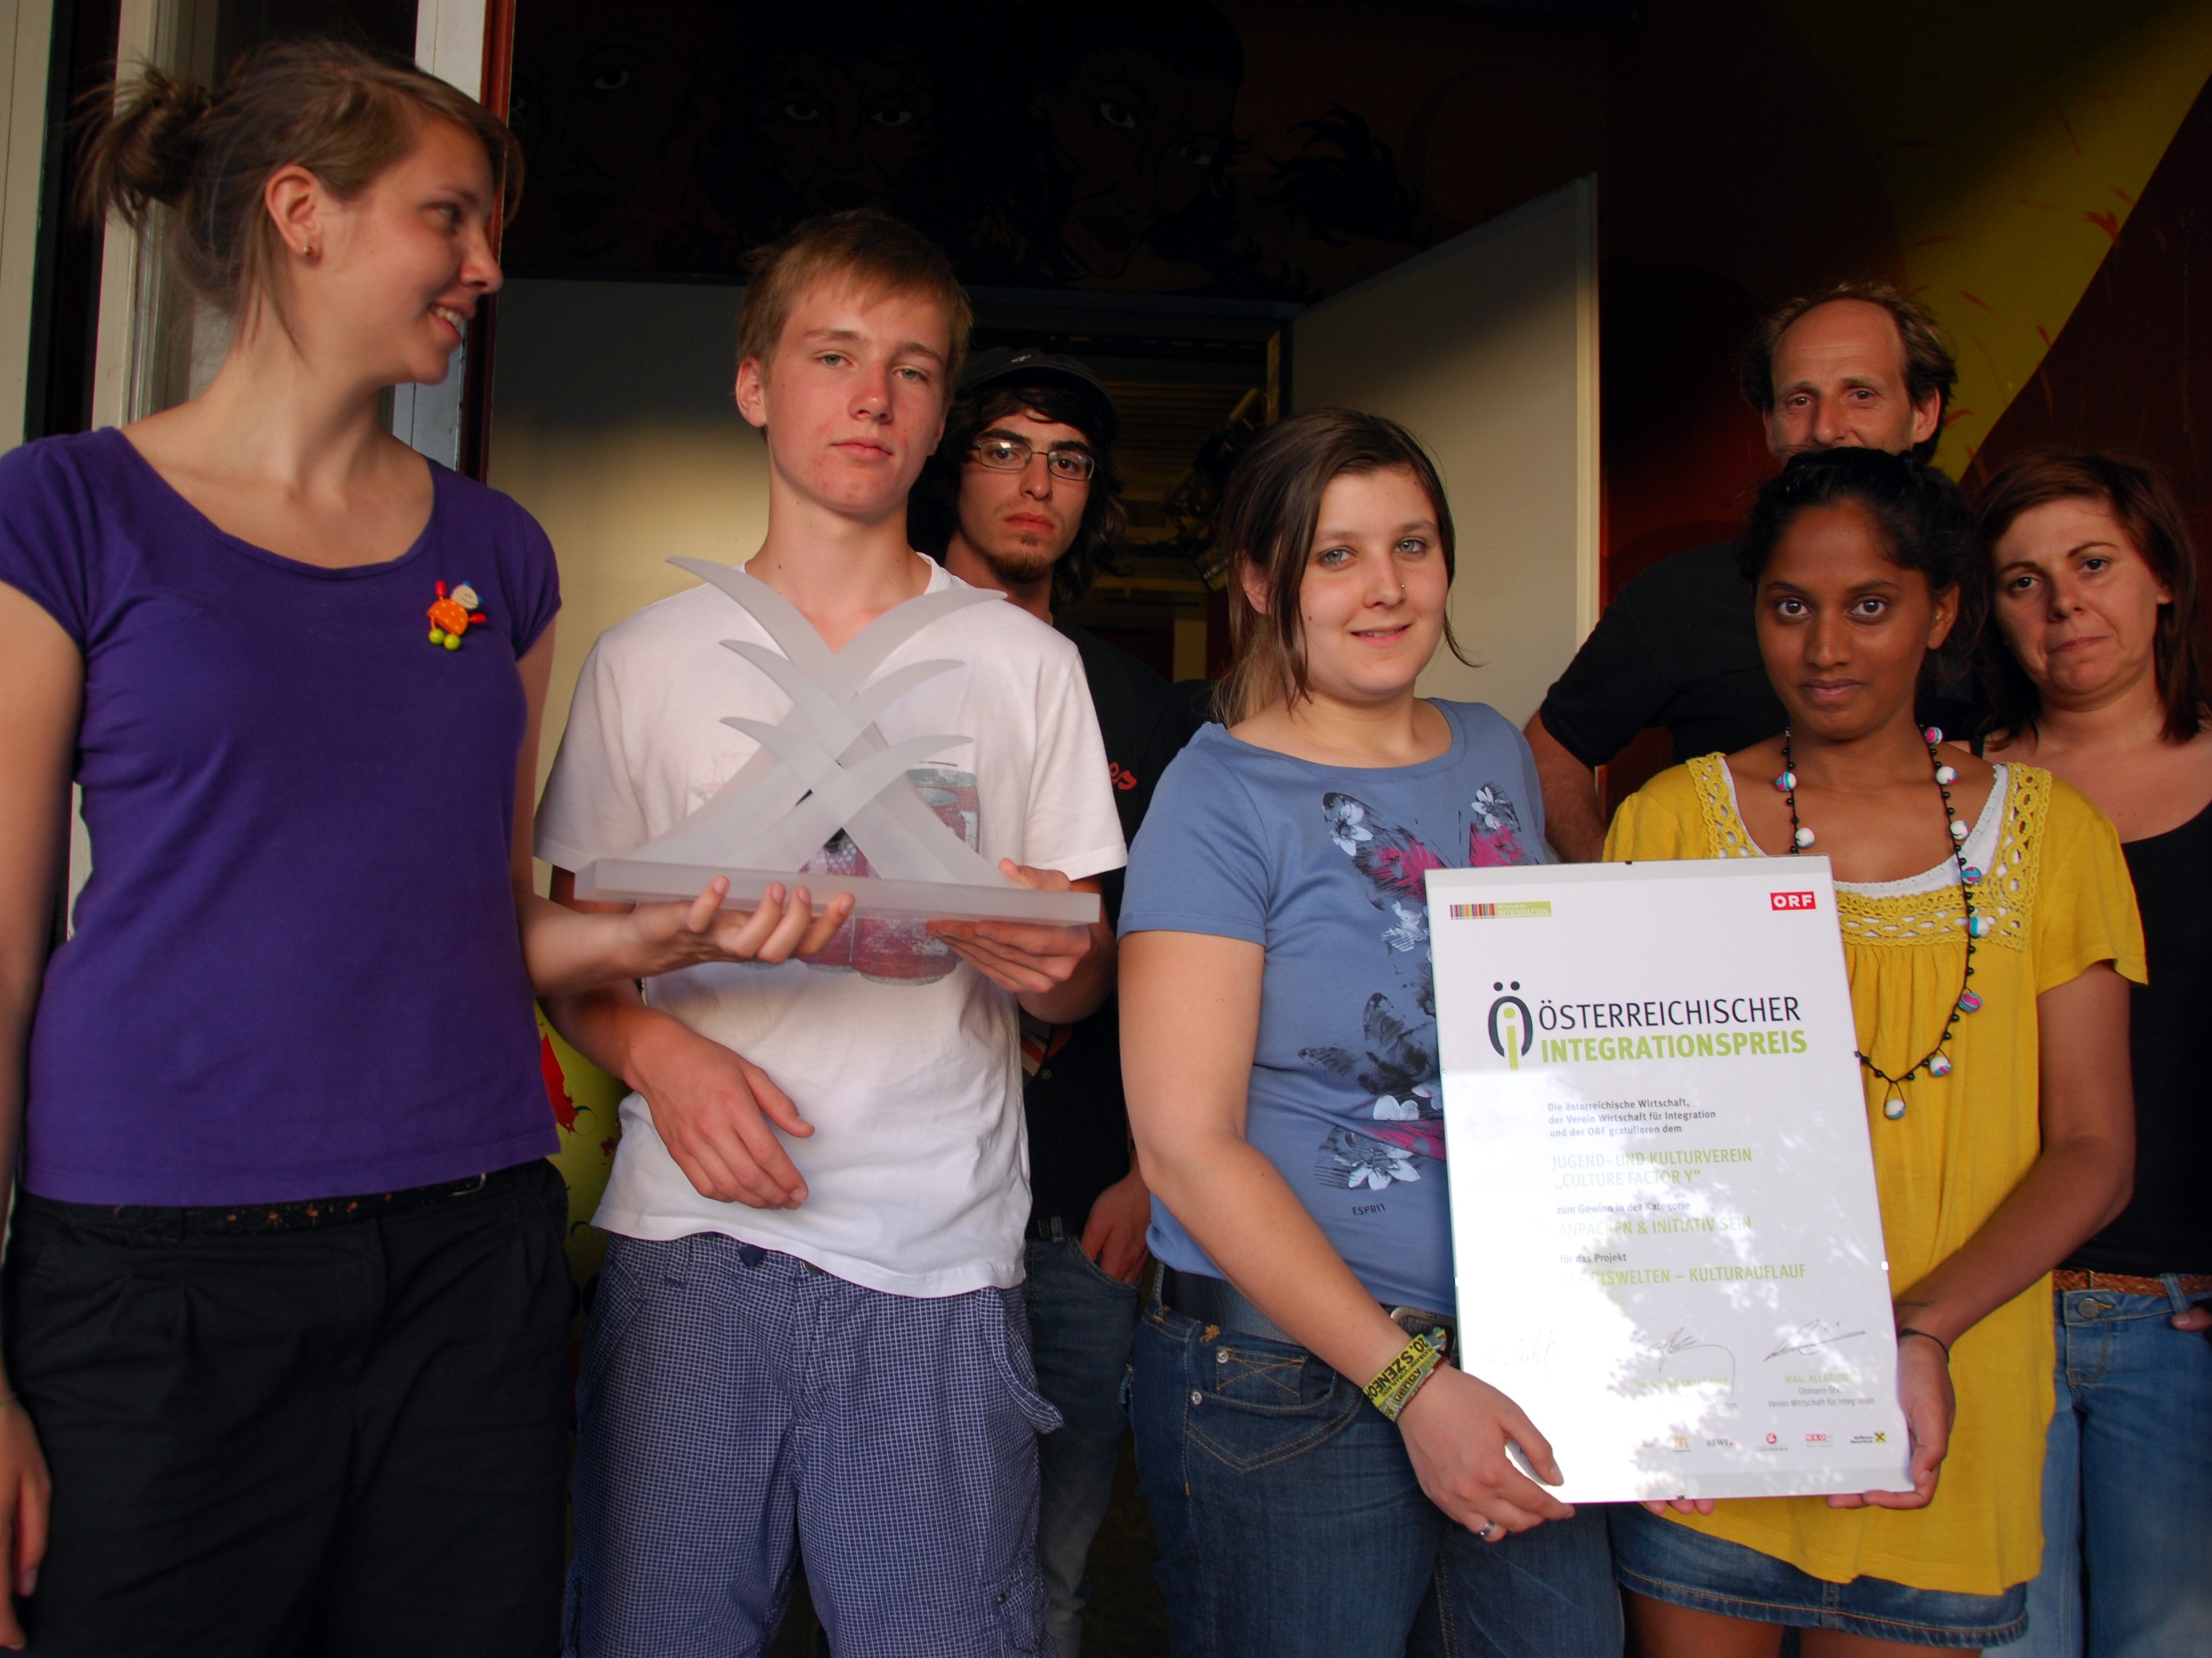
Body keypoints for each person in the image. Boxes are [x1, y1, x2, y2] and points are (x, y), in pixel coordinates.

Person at [0, 41, 850, 1658]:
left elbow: (477, 915)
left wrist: (654, 935)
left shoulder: (497, 556)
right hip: (154, 1281)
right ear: (301, 212)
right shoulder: (63, 516)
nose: (486, 267)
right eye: (447, 217)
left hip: (467, 1268)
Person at [535, 210, 1127, 1657]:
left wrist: (1056, 965)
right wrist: (661, 1058)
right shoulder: (644, 661)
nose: (873, 397)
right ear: (754, 384)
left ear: (937, 414)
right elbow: (564, 953)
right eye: (834, 356)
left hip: (938, 1256)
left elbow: (1078, 975)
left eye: (912, 370)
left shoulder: (1025, 665)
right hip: (690, 1241)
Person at [1604, 447, 2142, 1653]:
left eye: (1869, 606)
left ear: (1941, 611)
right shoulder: (1670, 824)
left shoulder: (2055, 837)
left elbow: (2095, 1148)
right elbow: (1623, 1143)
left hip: (1943, 1422)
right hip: (1715, 1424)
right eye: (1790, 606)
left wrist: (1917, 1333)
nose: (1824, 648)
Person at [1120, 408, 1621, 1658]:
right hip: (1290, 1385)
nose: (1385, 587)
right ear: (1259, 583)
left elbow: (1547, 1050)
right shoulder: (1216, 796)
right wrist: (1410, 1384)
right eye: (1335, 555)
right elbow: (1185, 1147)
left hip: (1521, 1353)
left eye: (1411, 544)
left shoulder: (1493, 750)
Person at [916, 345, 1198, 1658]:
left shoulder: (1136, 701)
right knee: (898, 1553)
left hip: (1082, 1203)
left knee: (1055, 1564)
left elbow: (1183, 957)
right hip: (902, 1195)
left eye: (1068, 460)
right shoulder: (876, 663)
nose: (1037, 483)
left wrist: (1151, 1171)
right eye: (1005, 448)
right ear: (949, 469)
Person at [1968, 452, 2212, 1658]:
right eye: (2023, 581)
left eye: (2094, 563)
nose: (2063, 604)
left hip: (2180, 1315)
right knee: (2004, 1639)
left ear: (2161, 575)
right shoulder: (1957, 799)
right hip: (1988, 1305)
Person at [1528, 281, 1961, 860]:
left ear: (1924, 411)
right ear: (1770, 423)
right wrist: (1618, 892)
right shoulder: (1682, 595)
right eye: (1799, 400)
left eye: (1860, 394)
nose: (1826, 428)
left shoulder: (1995, 582)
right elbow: (1551, 747)